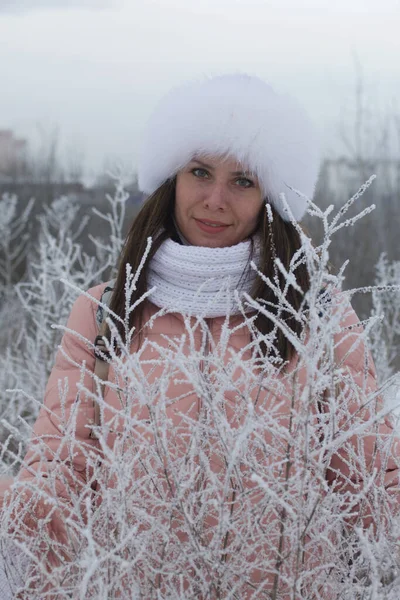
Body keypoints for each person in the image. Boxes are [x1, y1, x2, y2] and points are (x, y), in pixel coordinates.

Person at [1, 73, 399, 599]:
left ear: (268, 198)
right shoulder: (104, 311)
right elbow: (60, 475)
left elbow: (371, 482)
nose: (215, 198)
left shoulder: (316, 312)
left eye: (243, 180)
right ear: (172, 180)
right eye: (200, 172)